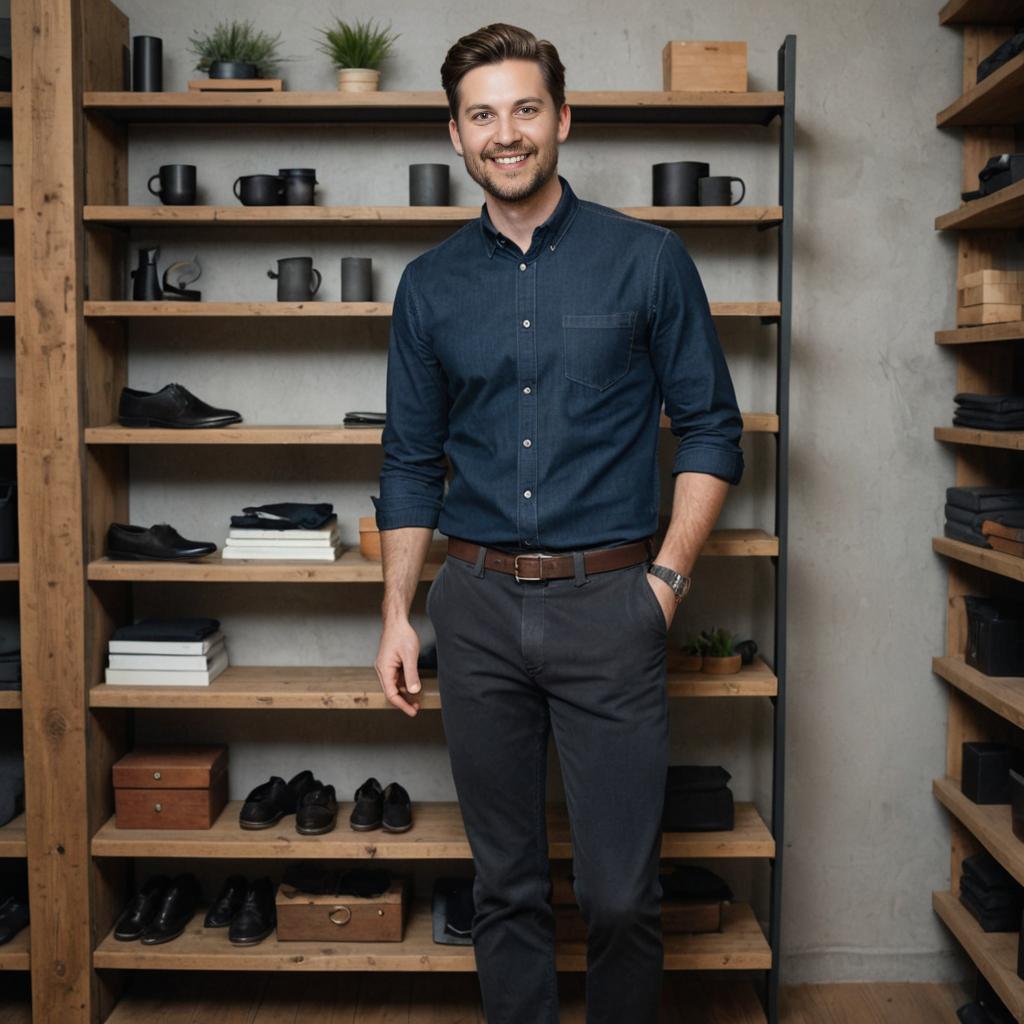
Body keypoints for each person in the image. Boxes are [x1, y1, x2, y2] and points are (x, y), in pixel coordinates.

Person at [372, 22, 744, 1024]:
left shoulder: (649, 261)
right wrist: (399, 612)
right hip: (479, 608)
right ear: (455, 134)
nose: (506, 132)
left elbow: (713, 428)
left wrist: (662, 582)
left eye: (524, 108)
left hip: (610, 608)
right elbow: (407, 461)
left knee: (622, 896)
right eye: (482, 114)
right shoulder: (429, 288)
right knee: (507, 889)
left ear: (562, 119)